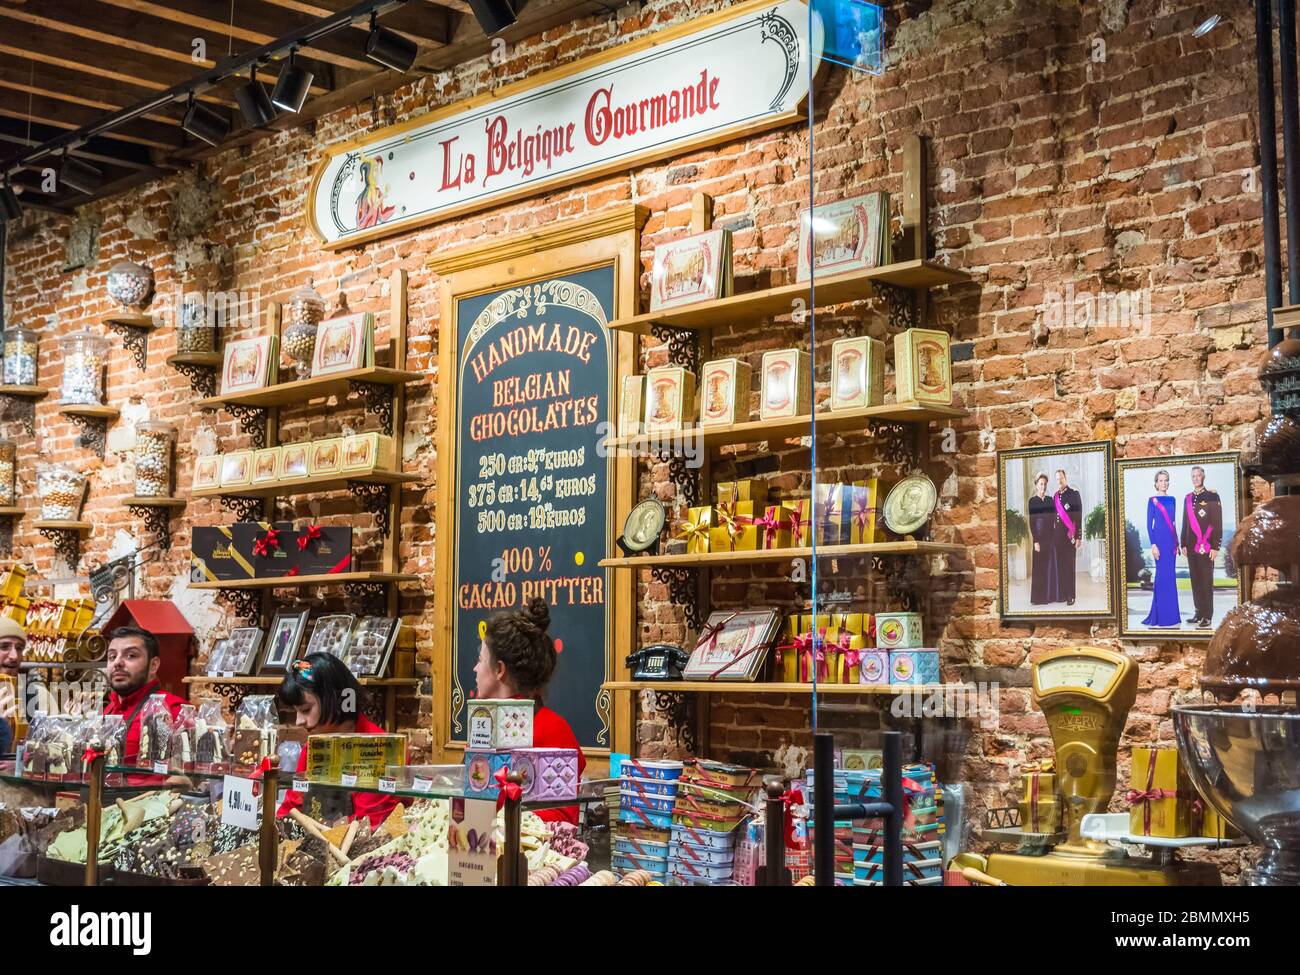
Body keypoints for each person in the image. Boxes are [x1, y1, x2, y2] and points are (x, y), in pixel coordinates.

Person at [474, 598, 586, 825]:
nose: (475, 668)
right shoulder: (484, 726)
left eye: (480, 660)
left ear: (499, 669)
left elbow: (560, 823)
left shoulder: (553, 730)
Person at [277, 653, 403, 829]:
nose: (299, 721)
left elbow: (368, 827)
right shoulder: (314, 747)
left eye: (305, 710)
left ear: (335, 700)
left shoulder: (380, 749)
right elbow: (291, 808)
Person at [102, 625, 187, 785]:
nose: (117, 663)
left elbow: (191, 779)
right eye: (112, 657)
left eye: (131, 655)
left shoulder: (175, 710)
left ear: (153, 665)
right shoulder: (110, 709)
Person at [1180, 465, 1222, 628]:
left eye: (1198, 476)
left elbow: (1217, 522)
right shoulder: (1188, 498)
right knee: (1195, 580)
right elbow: (1185, 522)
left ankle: (1207, 616)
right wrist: (1183, 542)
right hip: (1191, 546)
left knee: (1206, 581)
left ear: (1203, 477)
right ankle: (1198, 613)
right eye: (1193, 476)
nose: (1196, 478)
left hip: (1206, 546)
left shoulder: (1212, 496)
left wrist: (1215, 546)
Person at [1142, 470, 1181, 627]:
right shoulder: (1152, 501)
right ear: (1156, 483)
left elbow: (1173, 524)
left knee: (1170, 578)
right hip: (1159, 543)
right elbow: (1148, 525)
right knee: (1161, 578)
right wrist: (1153, 545)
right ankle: (1160, 616)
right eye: (1161, 480)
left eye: (1166, 480)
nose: (1163, 483)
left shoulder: (1172, 500)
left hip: (1171, 544)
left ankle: (1172, 616)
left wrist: (1177, 543)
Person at [1026, 472, 1059, 605]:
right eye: (1041, 484)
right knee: (1039, 567)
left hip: (1050, 537)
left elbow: (1054, 520)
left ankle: (1049, 596)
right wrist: (1036, 541)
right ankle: (1038, 598)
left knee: (1050, 567)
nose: (1043, 486)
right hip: (1039, 538)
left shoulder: (1050, 500)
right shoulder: (1032, 501)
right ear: (1036, 485)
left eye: (1045, 484)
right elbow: (1032, 523)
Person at [1052, 468, 1083, 606]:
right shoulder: (1055, 497)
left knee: (1069, 566)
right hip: (1057, 537)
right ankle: (1063, 593)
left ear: (1065, 478)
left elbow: (1078, 516)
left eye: (1061, 478)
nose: (1059, 481)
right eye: (1057, 479)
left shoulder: (1074, 494)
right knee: (1060, 566)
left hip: (1069, 535)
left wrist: (1078, 537)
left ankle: (1071, 595)